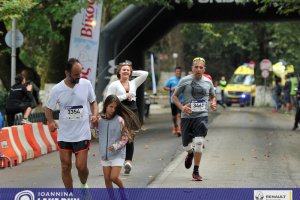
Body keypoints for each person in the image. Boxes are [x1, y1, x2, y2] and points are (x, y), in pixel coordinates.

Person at [45, 58, 98, 188]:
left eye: (80, 73)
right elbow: (48, 108)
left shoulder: (86, 84)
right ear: (67, 73)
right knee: (65, 166)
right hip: (65, 134)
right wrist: (51, 121)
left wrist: (95, 114)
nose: (79, 77)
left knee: (81, 166)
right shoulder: (57, 89)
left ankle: (83, 184)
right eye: (75, 75)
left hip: (82, 133)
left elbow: (93, 101)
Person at [173, 56, 216, 181]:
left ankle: (196, 171)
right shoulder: (185, 81)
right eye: (196, 67)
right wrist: (182, 108)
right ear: (192, 68)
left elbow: (212, 96)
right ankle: (189, 153)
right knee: (186, 145)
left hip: (202, 116)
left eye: (201, 67)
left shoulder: (208, 82)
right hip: (187, 117)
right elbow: (174, 97)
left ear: (204, 69)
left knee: (199, 142)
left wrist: (213, 103)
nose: (198, 69)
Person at [106, 60, 148, 175]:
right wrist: (125, 96)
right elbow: (108, 100)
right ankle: (112, 160)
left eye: (128, 70)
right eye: (123, 69)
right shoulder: (114, 85)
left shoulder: (134, 83)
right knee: (119, 136)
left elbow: (145, 74)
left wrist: (131, 72)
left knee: (130, 136)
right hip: (120, 110)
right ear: (118, 72)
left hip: (133, 110)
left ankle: (128, 161)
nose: (126, 71)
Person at [96, 95, 141, 188]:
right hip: (105, 155)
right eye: (111, 107)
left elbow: (125, 138)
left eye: (115, 107)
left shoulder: (120, 120)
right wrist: (93, 124)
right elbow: (96, 135)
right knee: (107, 180)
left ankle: (124, 194)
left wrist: (116, 146)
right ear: (105, 106)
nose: (113, 109)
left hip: (117, 155)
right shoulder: (100, 120)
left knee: (113, 177)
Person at [164, 66, 183, 137]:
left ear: (181, 72)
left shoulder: (183, 80)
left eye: (179, 71)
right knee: (174, 116)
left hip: (181, 100)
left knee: (179, 115)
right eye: (177, 71)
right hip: (173, 101)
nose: (178, 72)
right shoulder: (171, 80)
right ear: (175, 72)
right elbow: (164, 87)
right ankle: (175, 125)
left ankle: (179, 129)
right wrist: (170, 89)